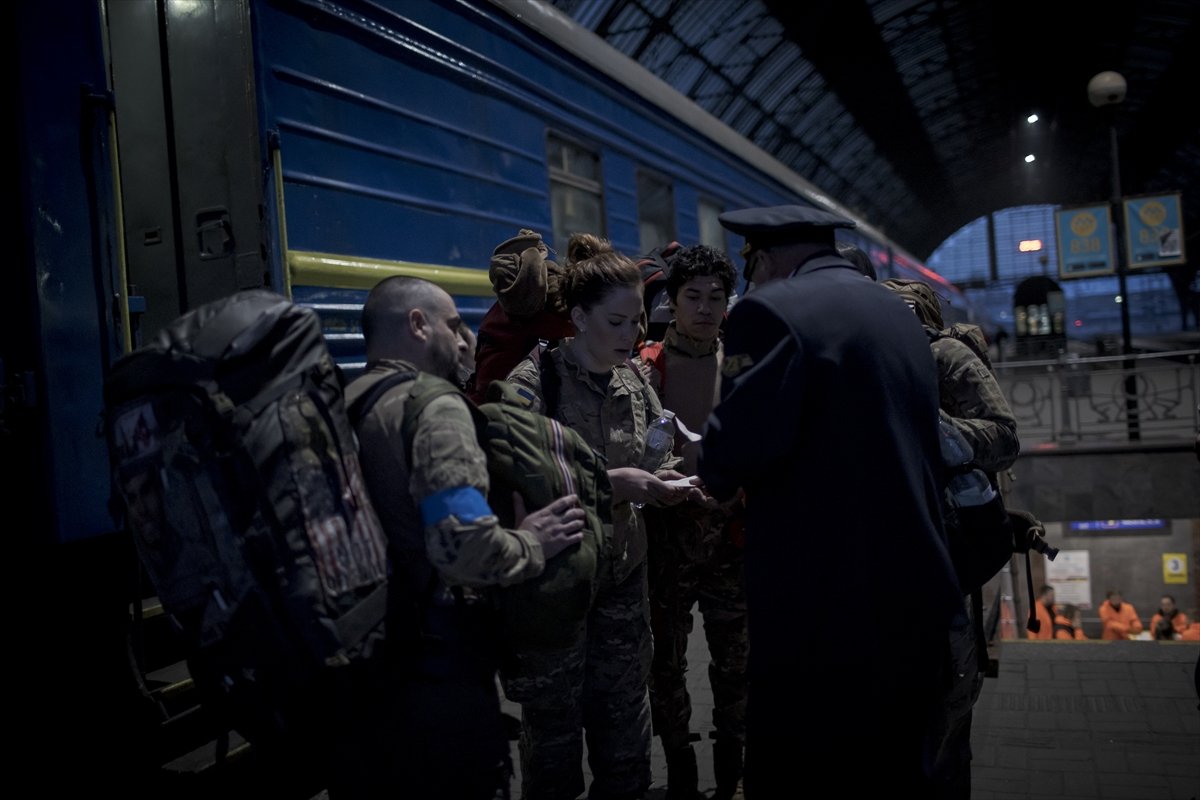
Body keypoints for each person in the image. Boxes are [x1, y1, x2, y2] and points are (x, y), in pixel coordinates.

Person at [697, 205, 964, 796]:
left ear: (763, 259)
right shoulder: (893, 309)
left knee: (803, 769)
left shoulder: (769, 312)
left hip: (821, 603)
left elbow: (729, 457)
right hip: (913, 584)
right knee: (895, 767)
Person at [343, 275, 587, 798]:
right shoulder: (434, 408)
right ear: (417, 323)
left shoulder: (350, 402)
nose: (463, 341)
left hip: (369, 663)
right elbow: (465, 548)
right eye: (454, 326)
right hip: (437, 669)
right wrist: (532, 543)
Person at [505, 233, 700, 800]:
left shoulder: (635, 380)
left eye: (637, 321)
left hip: (621, 581)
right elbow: (513, 479)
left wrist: (666, 480)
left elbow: (653, 452)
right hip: (557, 592)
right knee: (554, 747)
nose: (632, 335)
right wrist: (614, 485)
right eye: (615, 323)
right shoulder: (535, 382)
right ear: (578, 317)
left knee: (625, 744)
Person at [637, 244, 747, 800]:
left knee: (736, 663)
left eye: (715, 297)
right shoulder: (644, 369)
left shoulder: (744, 364)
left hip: (732, 539)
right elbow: (637, 449)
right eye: (692, 297)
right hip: (669, 540)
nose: (705, 308)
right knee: (667, 663)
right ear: (672, 302)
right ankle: (680, 768)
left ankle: (731, 769)